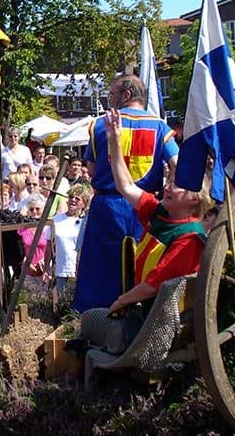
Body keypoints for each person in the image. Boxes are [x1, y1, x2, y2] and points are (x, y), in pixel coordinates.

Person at [71, 109, 212, 355]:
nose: (167, 187)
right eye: (169, 181)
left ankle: (111, 353)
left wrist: (120, 301)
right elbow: (125, 185)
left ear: (194, 200)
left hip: (159, 325)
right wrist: (115, 143)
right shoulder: (160, 214)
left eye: (177, 186)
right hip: (144, 313)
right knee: (93, 321)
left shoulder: (189, 238)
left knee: (93, 321)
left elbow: (152, 285)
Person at [73, 74, 178, 312]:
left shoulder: (100, 125)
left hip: (107, 206)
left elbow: (90, 168)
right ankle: (141, 312)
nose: (110, 100)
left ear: (126, 95)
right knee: (143, 262)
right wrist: (169, 191)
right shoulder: (160, 126)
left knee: (101, 267)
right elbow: (177, 163)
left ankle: (96, 318)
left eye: (112, 95)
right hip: (145, 205)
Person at [44, 184, 91, 294]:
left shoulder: (86, 222)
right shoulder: (56, 219)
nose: (73, 200)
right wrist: (46, 269)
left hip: (80, 271)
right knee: (62, 303)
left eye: (77, 199)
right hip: (61, 269)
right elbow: (49, 247)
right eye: (71, 197)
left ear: (84, 203)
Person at [17, 193, 49, 278]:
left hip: (45, 270)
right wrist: (24, 261)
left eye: (37, 209)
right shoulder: (23, 228)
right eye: (31, 209)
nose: (34, 212)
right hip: (27, 271)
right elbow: (18, 249)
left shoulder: (49, 227)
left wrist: (44, 263)